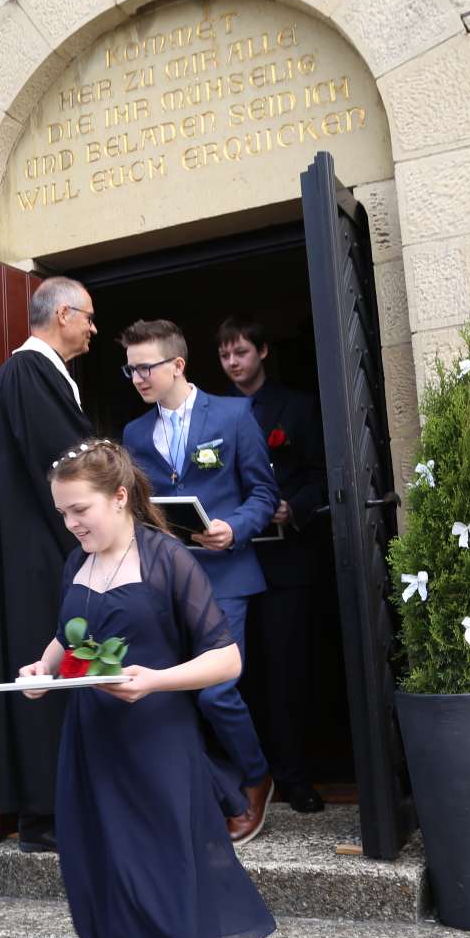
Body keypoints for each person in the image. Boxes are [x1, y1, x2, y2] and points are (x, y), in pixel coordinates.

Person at [17, 439, 275, 938]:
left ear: (119, 496)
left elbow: (226, 658)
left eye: (79, 510)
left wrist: (155, 680)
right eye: (63, 513)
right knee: (109, 888)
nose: (70, 524)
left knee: (157, 892)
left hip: (156, 752)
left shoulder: (167, 558)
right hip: (91, 750)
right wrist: (44, 669)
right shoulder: (76, 563)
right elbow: (70, 634)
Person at [118, 319, 277, 843]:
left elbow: (261, 492)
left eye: (146, 366)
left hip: (227, 574)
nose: (138, 376)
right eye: (131, 368)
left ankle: (256, 778)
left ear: (178, 364)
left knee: (214, 692)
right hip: (167, 580)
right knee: (161, 691)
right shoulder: (135, 434)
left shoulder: (234, 415)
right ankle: (198, 792)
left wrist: (236, 529)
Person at [0, 275, 96, 852]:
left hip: (45, 550)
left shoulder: (38, 374)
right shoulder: (29, 372)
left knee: (69, 664)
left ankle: (59, 805)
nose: (93, 330)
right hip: (43, 556)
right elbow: (72, 464)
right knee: (51, 668)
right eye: (89, 318)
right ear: (63, 315)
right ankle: (47, 812)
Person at [217, 315, 328, 814]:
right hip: (234, 560)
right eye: (224, 355)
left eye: (240, 352)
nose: (233, 362)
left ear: (262, 351)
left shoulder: (298, 406)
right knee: (237, 675)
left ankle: (296, 778)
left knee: (287, 674)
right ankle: (246, 777)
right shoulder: (214, 415)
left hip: (286, 560)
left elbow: (325, 476)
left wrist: (295, 505)